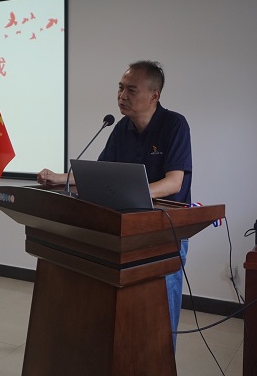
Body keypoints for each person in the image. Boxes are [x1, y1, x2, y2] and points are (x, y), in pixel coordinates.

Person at [37, 60, 192, 349]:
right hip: (126, 231)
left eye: (131, 90)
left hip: (164, 234)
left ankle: (162, 363)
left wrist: (133, 194)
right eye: (120, 88)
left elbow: (174, 183)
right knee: (125, 315)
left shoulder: (174, 125)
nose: (122, 95)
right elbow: (98, 176)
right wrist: (60, 178)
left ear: (154, 95)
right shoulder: (121, 128)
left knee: (160, 316)